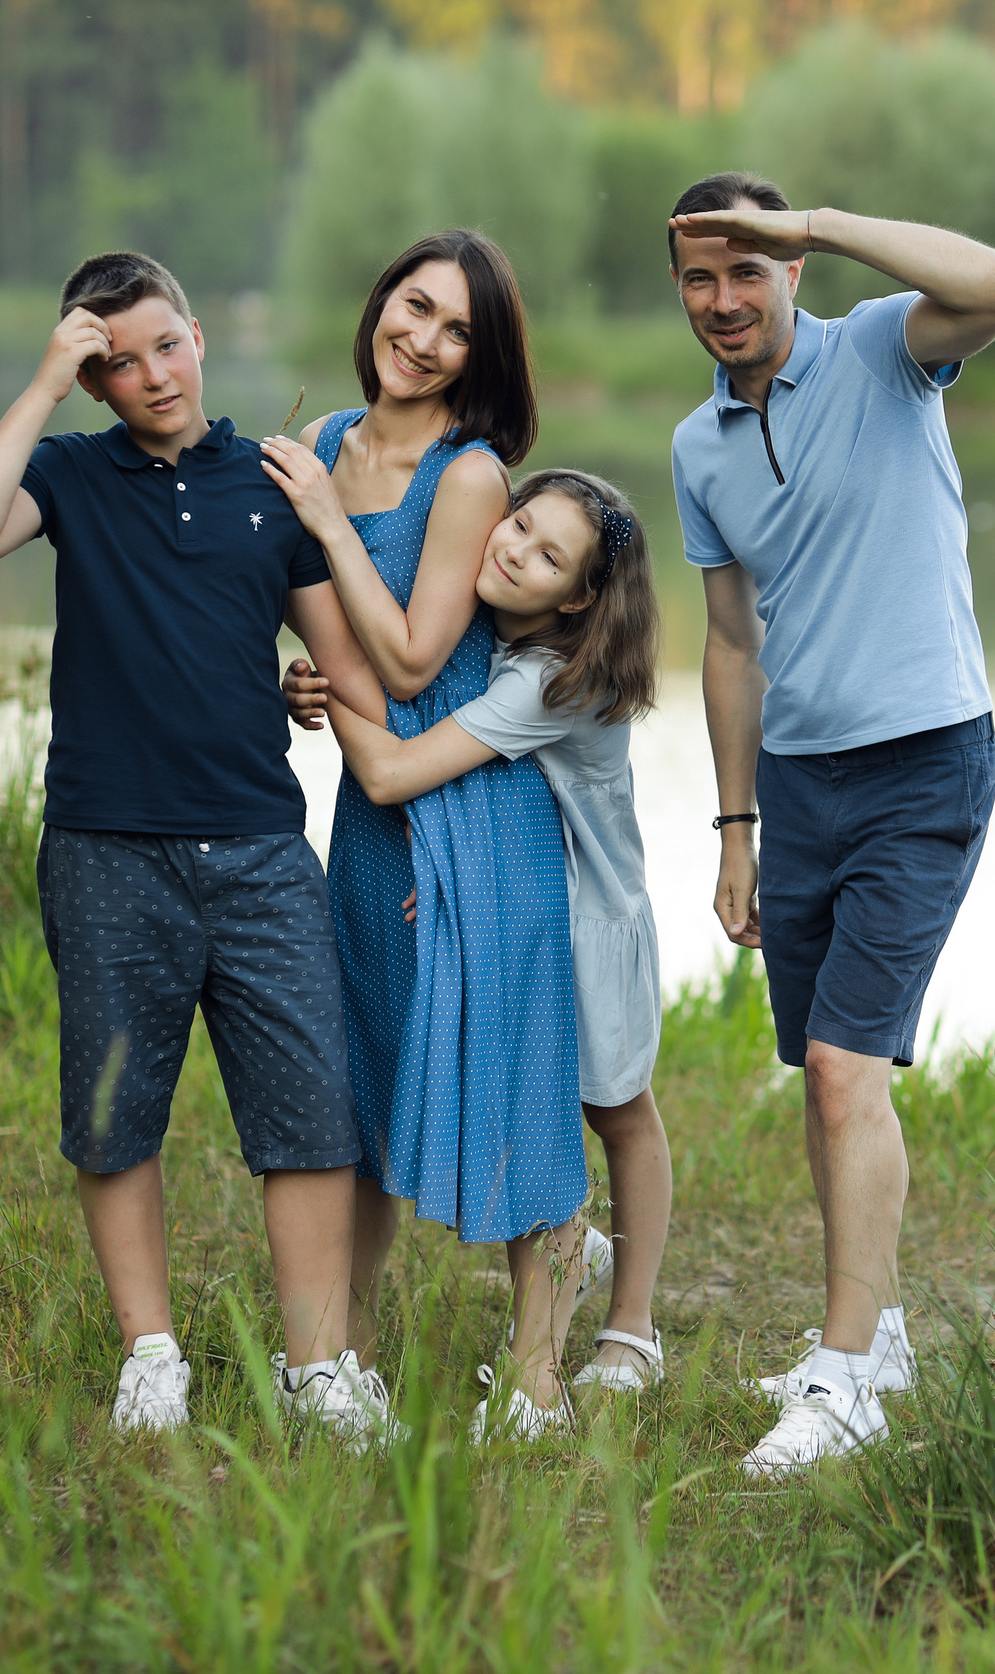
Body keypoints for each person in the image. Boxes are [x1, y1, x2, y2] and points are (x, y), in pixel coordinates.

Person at [0, 251, 398, 1445]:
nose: (150, 376)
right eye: (115, 362)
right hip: (105, 848)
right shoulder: (72, 475)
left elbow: (349, 667)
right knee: (115, 1109)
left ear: (198, 334)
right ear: (92, 381)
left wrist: (307, 685)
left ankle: (316, 1369)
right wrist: (42, 383)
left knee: (310, 1111)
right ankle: (152, 1355)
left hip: (255, 845)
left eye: (164, 345)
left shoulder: (269, 483)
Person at [666, 174, 995, 1476]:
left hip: (927, 759)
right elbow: (725, 641)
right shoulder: (696, 444)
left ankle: (843, 1379)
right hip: (802, 781)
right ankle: (873, 1340)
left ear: (791, 272)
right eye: (700, 277)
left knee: (844, 1070)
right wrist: (735, 827)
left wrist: (811, 221)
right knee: (824, 1077)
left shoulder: (883, 348)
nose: (723, 299)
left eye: (747, 269)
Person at [256, 232, 593, 1412]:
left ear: (477, 356)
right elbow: (331, 644)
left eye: (455, 329)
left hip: (467, 804)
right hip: (367, 808)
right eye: (413, 307)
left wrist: (329, 527)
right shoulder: (324, 446)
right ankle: (337, 1364)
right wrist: (303, 681)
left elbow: (406, 660)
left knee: (514, 1079)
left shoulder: (469, 477)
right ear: (379, 303)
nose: (422, 340)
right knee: (361, 1080)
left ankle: (539, 1379)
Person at [281, 470, 673, 1440]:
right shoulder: (493, 637)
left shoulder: (549, 679)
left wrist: (332, 676)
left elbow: (398, 768)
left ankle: (627, 1327)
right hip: (512, 897)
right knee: (559, 1104)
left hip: (586, 918)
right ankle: (558, 1315)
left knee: (614, 1110)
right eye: (520, 524)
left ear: (579, 598)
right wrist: (317, 684)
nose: (513, 550)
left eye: (548, 557)